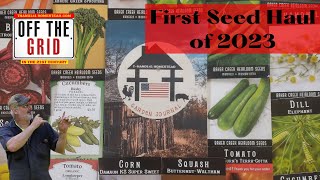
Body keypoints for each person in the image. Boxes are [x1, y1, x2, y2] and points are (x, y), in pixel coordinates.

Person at [0, 94, 70, 180]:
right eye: (25, 106)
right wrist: (33, 126)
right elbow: (12, 146)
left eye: (30, 105)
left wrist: (63, 133)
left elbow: (60, 149)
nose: (30, 108)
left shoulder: (44, 126)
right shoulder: (6, 129)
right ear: (15, 110)